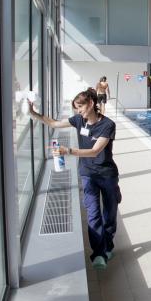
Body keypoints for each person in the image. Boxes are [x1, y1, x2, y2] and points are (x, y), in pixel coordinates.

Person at [28, 88, 121, 270]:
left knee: (109, 214)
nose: (78, 111)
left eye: (80, 107)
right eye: (76, 108)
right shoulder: (79, 120)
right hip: (87, 174)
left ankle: (108, 245)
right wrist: (34, 113)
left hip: (107, 175)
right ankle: (99, 253)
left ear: (91, 104)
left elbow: (95, 151)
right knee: (93, 214)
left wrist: (68, 151)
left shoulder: (108, 125)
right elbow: (54, 124)